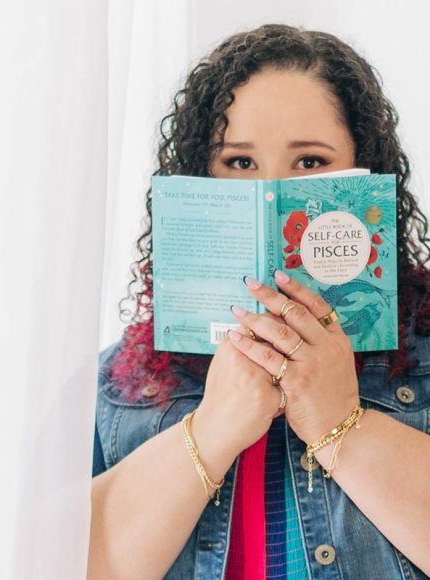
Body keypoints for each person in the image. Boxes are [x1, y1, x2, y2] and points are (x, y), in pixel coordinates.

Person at [88, 24, 430, 580]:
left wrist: (340, 421)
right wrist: (212, 429)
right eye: (239, 163)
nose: (268, 190)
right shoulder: (123, 383)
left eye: (311, 162)